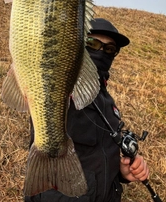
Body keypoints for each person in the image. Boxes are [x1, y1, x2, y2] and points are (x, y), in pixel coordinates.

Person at [25, 18, 149, 202]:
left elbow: (100, 153)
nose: (101, 52)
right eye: (92, 43)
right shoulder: (61, 83)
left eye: (109, 49)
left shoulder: (108, 101)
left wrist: (122, 172)